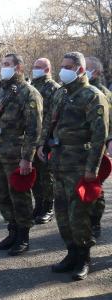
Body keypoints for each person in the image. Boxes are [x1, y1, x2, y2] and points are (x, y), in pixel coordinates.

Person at [38, 51, 109, 280]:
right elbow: (50, 120)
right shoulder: (61, 93)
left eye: (68, 66)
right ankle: (71, 253)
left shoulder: (92, 96)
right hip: (58, 163)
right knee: (62, 214)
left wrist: (92, 169)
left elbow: (99, 137)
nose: (63, 70)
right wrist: (43, 144)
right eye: (62, 65)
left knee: (79, 214)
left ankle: (84, 257)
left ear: (79, 69)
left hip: (80, 165)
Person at [0, 53, 43, 256]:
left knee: (19, 196)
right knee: (4, 197)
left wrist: (27, 158)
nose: (3, 67)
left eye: (7, 64)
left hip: (17, 154)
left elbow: (34, 130)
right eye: (2, 64)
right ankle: (12, 232)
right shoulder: (2, 90)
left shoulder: (29, 93)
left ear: (19, 68)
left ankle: (23, 237)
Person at [31, 58, 60, 224]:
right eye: (34, 67)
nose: (35, 69)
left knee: (46, 175)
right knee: (34, 174)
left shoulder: (54, 88)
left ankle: (48, 207)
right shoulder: (32, 86)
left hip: (46, 138)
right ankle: (39, 204)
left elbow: (53, 118)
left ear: (47, 69)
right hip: (32, 137)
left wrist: (47, 140)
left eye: (38, 67)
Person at [85, 56, 111, 238]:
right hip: (81, 148)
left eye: (86, 67)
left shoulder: (101, 93)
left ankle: (95, 222)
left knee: (96, 187)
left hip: (99, 147)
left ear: (96, 72)